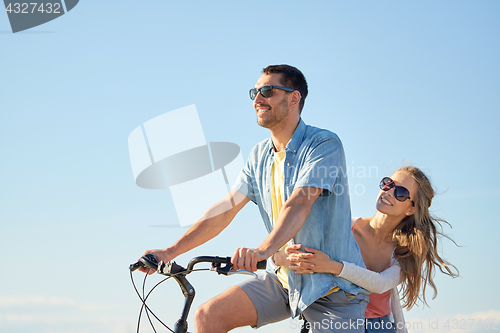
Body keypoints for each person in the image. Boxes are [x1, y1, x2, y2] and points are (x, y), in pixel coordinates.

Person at [137, 64, 369, 333]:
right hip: (285, 280)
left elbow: (301, 202)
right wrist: (170, 252)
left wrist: (262, 251)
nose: (258, 99)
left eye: (268, 91)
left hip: (334, 290)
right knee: (207, 317)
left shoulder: (323, 144)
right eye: (255, 92)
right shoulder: (259, 156)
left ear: (294, 98)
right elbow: (226, 209)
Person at [274, 166, 459, 333]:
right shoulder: (346, 228)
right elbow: (292, 253)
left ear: (411, 209)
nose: (388, 192)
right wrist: (279, 258)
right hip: (331, 320)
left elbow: (380, 284)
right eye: (388, 183)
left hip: (378, 326)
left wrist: (333, 266)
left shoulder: (406, 252)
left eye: (400, 193)